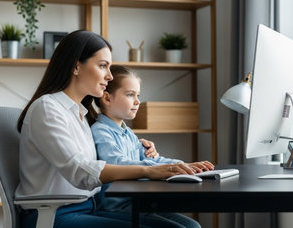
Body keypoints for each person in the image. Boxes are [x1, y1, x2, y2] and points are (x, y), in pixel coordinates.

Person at [15, 30, 198, 228]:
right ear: (76, 66)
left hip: (90, 208)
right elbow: (80, 172)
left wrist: (140, 149)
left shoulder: (81, 114)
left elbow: (107, 154)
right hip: (55, 216)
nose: (109, 76)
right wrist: (149, 170)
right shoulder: (47, 109)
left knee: (186, 227)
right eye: (103, 66)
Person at [91, 65, 214, 228]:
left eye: (138, 95)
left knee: (193, 226)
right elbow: (117, 163)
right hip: (117, 208)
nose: (137, 101)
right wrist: (164, 168)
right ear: (107, 98)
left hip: (138, 203)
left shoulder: (127, 132)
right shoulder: (100, 131)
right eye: (130, 95)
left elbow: (152, 159)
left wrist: (183, 166)